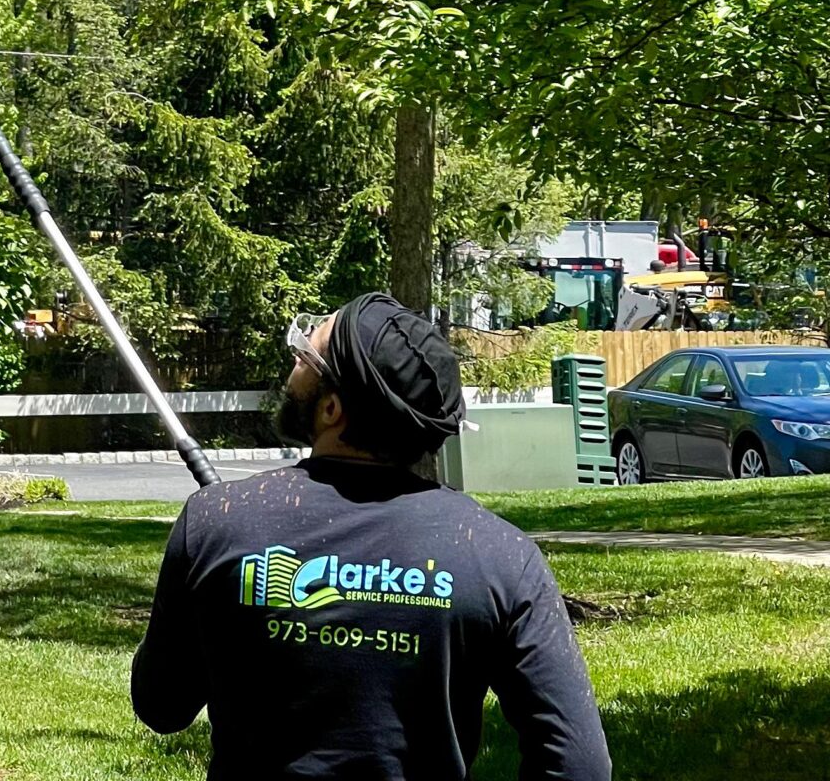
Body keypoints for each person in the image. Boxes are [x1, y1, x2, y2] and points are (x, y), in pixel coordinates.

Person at [131, 292, 611, 780]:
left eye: (305, 354)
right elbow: (580, 765)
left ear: (332, 408)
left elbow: (161, 706)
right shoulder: (500, 555)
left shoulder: (218, 522)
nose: (293, 363)